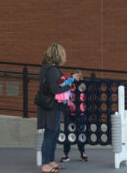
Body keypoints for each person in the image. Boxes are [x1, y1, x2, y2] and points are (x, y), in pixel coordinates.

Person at [36, 43, 75, 173]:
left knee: (54, 134)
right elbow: (55, 89)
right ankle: (46, 164)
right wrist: (68, 86)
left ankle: (51, 161)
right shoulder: (52, 70)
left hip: (49, 106)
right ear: (58, 55)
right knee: (50, 135)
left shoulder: (46, 68)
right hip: (51, 107)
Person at [60, 70, 88, 163]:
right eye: (74, 76)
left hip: (80, 113)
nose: (75, 78)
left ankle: (82, 153)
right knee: (68, 133)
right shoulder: (68, 86)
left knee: (80, 133)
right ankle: (65, 154)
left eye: (77, 76)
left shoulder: (82, 87)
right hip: (70, 113)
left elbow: (83, 98)